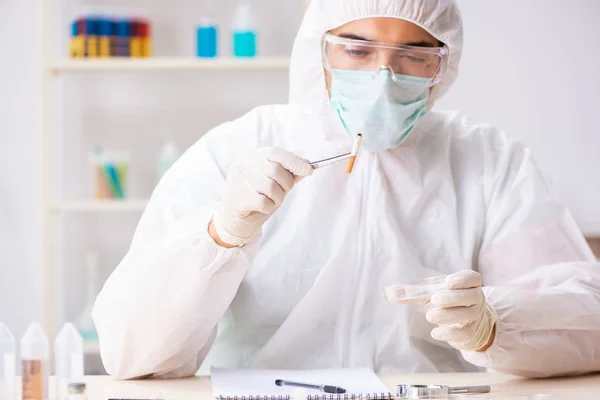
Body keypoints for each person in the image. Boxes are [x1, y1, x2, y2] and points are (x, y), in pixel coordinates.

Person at [93, 0, 600, 380]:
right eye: (357, 50)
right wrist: (220, 235)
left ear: (442, 64)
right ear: (321, 49)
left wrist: (495, 324)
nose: (383, 77)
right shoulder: (237, 149)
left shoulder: (488, 161)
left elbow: (586, 320)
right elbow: (130, 353)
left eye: (414, 55)